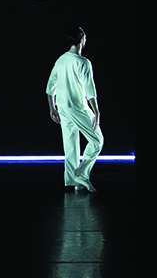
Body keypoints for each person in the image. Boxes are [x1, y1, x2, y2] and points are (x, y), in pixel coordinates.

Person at [45, 26, 103, 192]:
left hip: (63, 107)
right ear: (81, 40)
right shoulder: (83, 62)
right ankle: (81, 174)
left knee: (70, 145)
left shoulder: (61, 60)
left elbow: (50, 87)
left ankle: (73, 181)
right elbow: (90, 90)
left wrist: (52, 107)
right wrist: (96, 111)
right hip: (78, 107)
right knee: (97, 141)